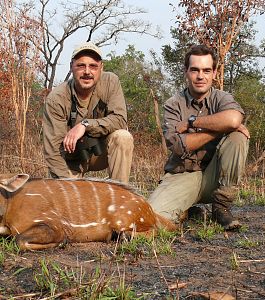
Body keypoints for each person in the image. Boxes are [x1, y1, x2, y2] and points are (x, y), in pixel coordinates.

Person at [148, 44, 250, 230]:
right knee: (153, 218)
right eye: (194, 70)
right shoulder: (173, 104)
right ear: (186, 71)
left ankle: (221, 206)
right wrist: (220, 127)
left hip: (215, 176)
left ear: (215, 72)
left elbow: (234, 119)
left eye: (206, 70)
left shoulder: (222, 97)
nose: (200, 76)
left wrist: (193, 122)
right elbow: (179, 146)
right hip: (184, 173)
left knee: (237, 137)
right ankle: (189, 210)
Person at [43, 42, 134, 184]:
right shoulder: (56, 99)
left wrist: (85, 125)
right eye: (81, 65)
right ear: (71, 67)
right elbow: (53, 151)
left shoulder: (111, 81)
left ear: (101, 68)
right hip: (71, 160)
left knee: (123, 137)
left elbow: (120, 120)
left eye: (93, 66)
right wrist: (67, 186)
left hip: (100, 153)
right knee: (68, 199)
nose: (87, 71)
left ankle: (119, 194)